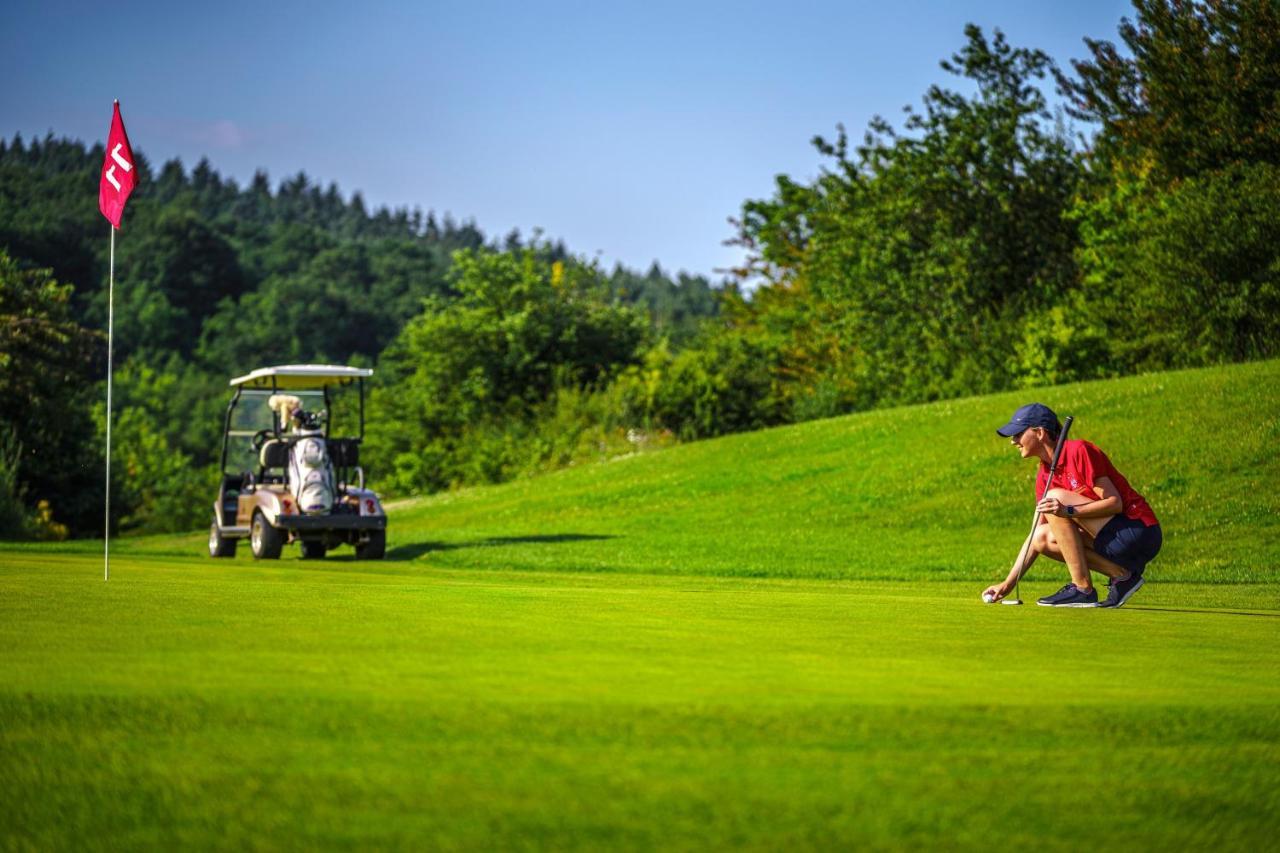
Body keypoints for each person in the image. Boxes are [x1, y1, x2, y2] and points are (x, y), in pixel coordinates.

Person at [983, 403, 1162, 608]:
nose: (1013, 441)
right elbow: (1033, 535)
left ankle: (1082, 589)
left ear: (1040, 432)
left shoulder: (1078, 450)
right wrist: (1007, 584)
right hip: (1108, 541)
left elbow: (1115, 503)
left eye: (1018, 434)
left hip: (1138, 531)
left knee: (1054, 498)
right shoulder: (1044, 474)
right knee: (1043, 537)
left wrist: (1067, 511)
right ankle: (1121, 577)